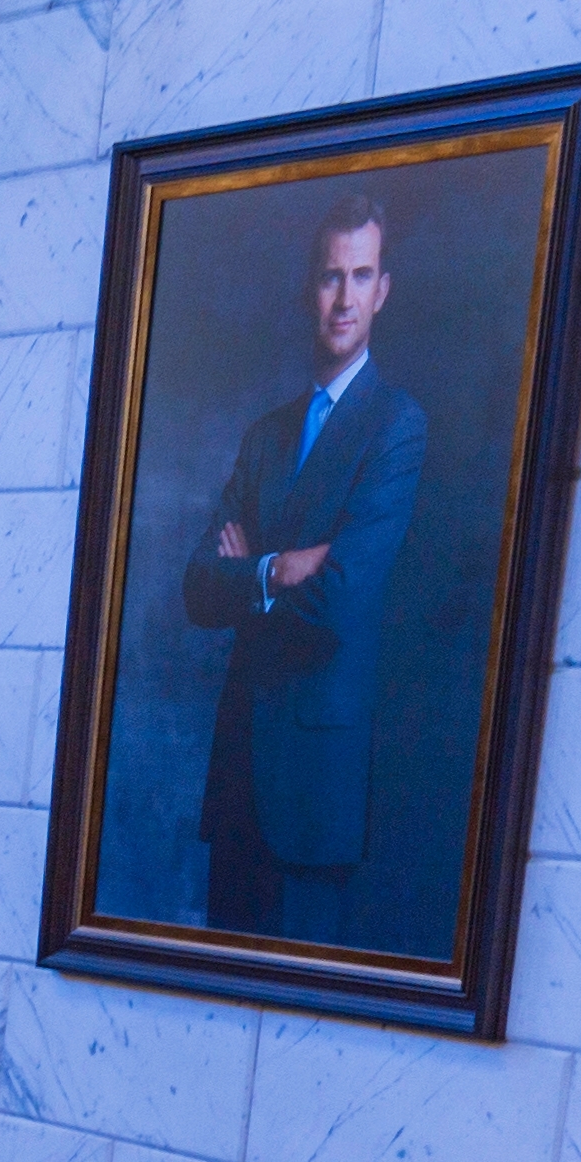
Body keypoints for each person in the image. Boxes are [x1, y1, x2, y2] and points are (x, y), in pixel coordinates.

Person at [163, 201, 429, 945]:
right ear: (309, 288)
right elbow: (196, 586)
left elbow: (342, 600)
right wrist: (279, 570)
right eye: (329, 277)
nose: (343, 298)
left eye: (360, 277)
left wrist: (247, 571)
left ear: (382, 290)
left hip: (315, 793)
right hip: (240, 776)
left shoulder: (396, 426)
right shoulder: (267, 435)